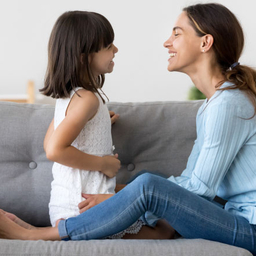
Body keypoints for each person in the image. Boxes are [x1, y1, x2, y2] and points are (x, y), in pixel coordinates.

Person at [0, 2, 256, 254]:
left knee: (147, 185)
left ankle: (40, 234)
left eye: (177, 34)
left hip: (249, 229)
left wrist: (120, 199)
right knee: (144, 185)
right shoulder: (212, 105)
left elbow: (200, 189)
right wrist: (120, 196)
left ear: (205, 43)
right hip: (235, 218)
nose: (167, 42)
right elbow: (191, 181)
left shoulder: (228, 104)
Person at [34, 10, 175, 239]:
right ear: (84, 56)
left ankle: (41, 230)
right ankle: (34, 232)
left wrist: (97, 123)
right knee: (165, 232)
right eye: (109, 45)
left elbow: (50, 140)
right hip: (84, 210)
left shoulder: (72, 98)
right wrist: (103, 164)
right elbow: (54, 149)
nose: (116, 50)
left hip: (74, 206)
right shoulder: (86, 99)